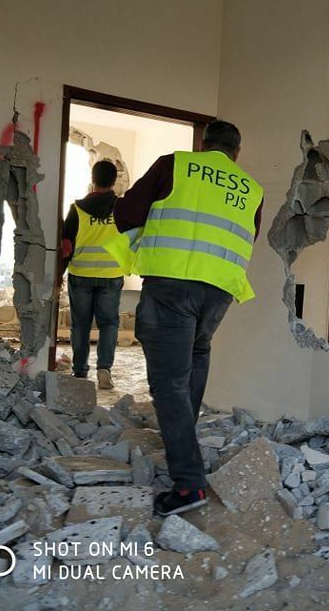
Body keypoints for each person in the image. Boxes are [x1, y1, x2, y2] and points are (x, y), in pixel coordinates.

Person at [104, 120, 263, 517]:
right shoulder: (251, 189)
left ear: (203, 145)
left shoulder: (175, 164)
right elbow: (248, 238)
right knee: (196, 355)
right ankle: (183, 440)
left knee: (169, 382)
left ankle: (189, 484)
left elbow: (126, 212)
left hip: (172, 285)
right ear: (237, 153)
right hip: (219, 291)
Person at [60, 160, 122, 390]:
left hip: (81, 274)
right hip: (111, 274)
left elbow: (66, 246)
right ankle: (104, 368)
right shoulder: (121, 208)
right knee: (109, 324)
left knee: (81, 324)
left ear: (93, 179)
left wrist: (58, 275)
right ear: (114, 181)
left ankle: (80, 369)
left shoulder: (77, 209)